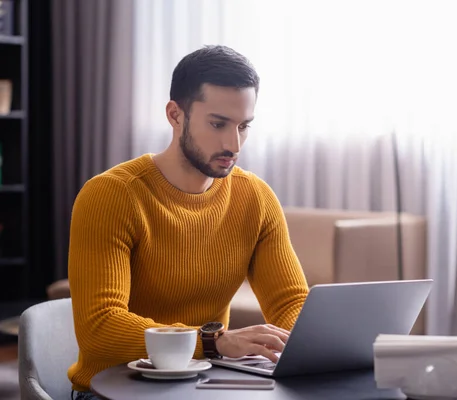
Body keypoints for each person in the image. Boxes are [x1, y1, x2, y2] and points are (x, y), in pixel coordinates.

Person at [67, 45, 309, 399]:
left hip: (206, 387)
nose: (233, 143)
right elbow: (100, 329)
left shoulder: (254, 197)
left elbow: (291, 304)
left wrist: (299, 348)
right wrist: (214, 341)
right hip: (114, 389)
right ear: (175, 114)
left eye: (244, 126)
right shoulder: (111, 195)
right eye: (217, 124)